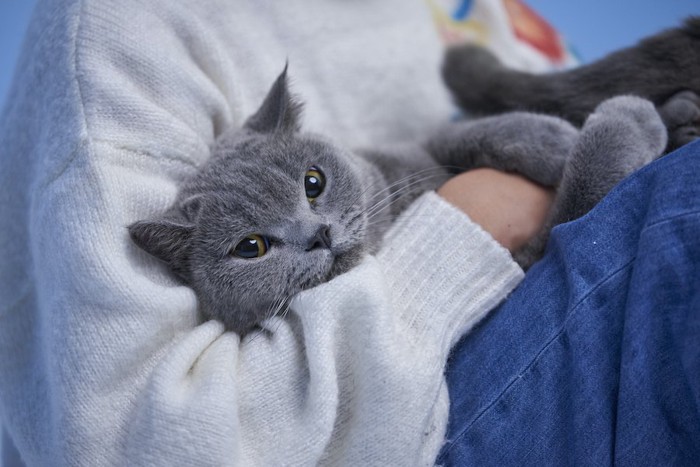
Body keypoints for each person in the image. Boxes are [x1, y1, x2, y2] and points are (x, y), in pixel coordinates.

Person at [0, 1, 697, 466]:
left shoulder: (458, 13)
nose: (312, 238)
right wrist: (471, 222)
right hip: (411, 423)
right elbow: (132, 442)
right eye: (256, 246)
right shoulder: (117, 31)